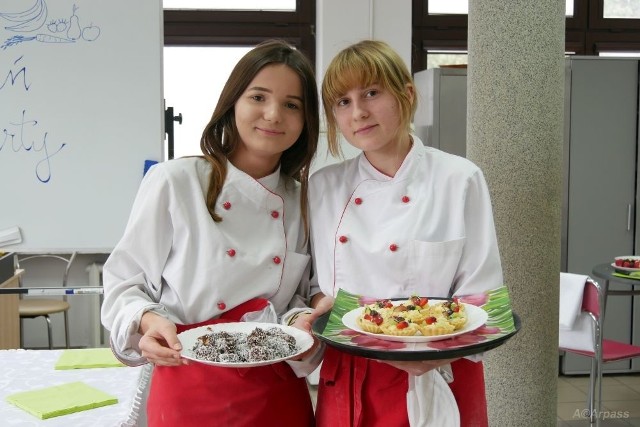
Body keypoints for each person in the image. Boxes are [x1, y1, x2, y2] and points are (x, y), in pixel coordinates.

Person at [101, 39, 320, 427]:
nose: (273, 114)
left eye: (292, 105)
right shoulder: (176, 181)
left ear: (305, 122)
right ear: (232, 102)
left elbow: (296, 299)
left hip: (275, 392)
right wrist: (149, 322)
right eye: (258, 96)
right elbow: (124, 283)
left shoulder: (302, 200)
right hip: (188, 380)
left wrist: (301, 322)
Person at [307, 40, 504, 427]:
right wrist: (319, 306)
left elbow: (487, 300)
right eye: (342, 102)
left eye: (371, 93)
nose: (358, 112)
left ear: (406, 95)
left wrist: (426, 353)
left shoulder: (459, 178)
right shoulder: (323, 187)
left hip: (440, 371)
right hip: (350, 372)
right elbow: (315, 285)